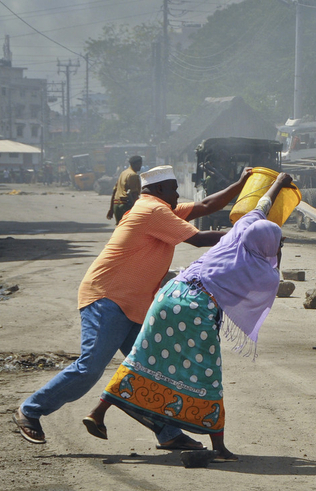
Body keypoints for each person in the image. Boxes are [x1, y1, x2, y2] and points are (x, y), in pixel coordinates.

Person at [13, 165, 254, 449]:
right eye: (175, 189)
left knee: (154, 368)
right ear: (161, 189)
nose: (178, 194)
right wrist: (249, 234)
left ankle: (169, 434)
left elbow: (205, 205)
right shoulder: (153, 211)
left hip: (134, 305)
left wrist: (241, 183)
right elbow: (200, 239)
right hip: (108, 298)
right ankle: (30, 410)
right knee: (89, 368)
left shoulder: (161, 209)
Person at [83, 172, 293, 462]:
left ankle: (98, 412)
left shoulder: (242, 229)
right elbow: (272, 271)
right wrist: (276, 253)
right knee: (207, 375)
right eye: (278, 244)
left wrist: (279, 182)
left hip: (168, 295)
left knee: (143, 359)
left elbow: (263, 205)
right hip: (196, 310)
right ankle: (218, 447)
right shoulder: (260, 269)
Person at [107, 156, 143, 224]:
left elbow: (114, 191)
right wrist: (138, 209)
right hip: (125, 206)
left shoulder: (123, 173)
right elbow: (134, 194)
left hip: (116, 206)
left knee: (120, 229)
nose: (140, 166)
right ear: (136, 164)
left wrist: (111, 209)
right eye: (139, 164)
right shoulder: (133, 175)